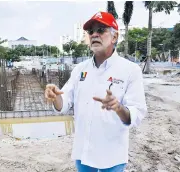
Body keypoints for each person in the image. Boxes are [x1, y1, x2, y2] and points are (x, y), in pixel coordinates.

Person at [44, 11, 147, 172]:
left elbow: (137, 113)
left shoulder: (130, 70)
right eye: (91, 31)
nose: (94, 35)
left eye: (101, 30)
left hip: (112, 157)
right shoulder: (80, 69)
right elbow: (64, 103)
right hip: (83, 154)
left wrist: (118, 107)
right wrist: (55, 97)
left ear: (114, 37)